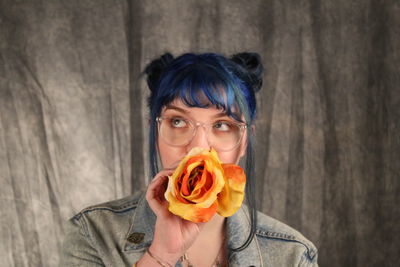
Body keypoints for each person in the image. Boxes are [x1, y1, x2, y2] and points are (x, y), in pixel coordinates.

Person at [60, 52, 318, 267]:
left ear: (244, 142)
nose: (198, 148)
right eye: (178, 121)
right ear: (155, 132)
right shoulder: (93, 234)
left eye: (222, 125)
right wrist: (161, 256)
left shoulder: (293, 256)